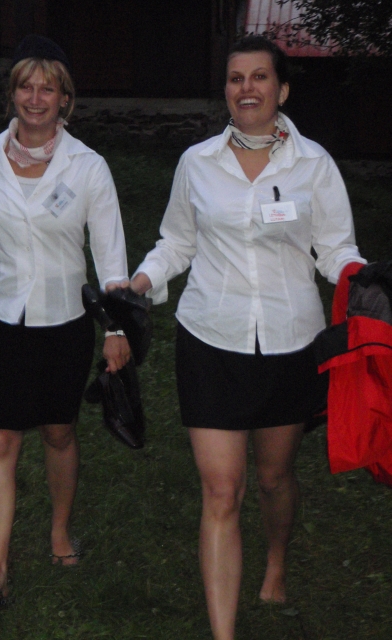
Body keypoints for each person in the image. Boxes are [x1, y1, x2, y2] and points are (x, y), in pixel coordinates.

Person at [130, 35, 366, 639]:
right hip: (211, 337)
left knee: (273, 479)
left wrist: (360, 280)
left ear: (281, 90)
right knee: (221, 491)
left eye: (259, 77)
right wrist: (142, 281)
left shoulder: (314, 164)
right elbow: (177, 241)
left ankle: (277, 560)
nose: (247, 88)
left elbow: (335, 248)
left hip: (290, 340)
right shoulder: (198, 163)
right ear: (227, 92)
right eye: (236, 78)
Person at [0, 35, 130, 607]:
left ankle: (59, 531)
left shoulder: (89, 167)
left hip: (63, 321)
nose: (36, 98)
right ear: (12, 94)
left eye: (47, 89)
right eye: (26, 87)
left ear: (65, 99)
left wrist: (115, 329)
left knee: (59, 432)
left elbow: (110, 257)